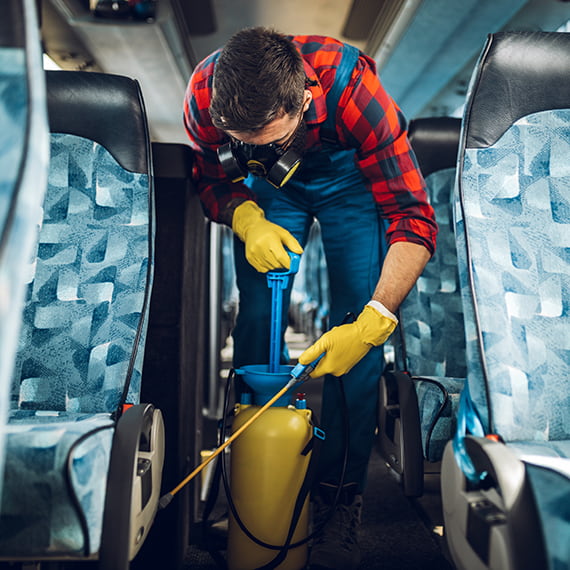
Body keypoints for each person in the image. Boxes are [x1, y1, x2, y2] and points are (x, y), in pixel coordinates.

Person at [183, 27, 437, 570]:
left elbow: (413, 219)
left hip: (349, 181)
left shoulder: (354, 92)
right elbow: (210, 176)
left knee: (355, 333)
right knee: (254, 321)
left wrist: (376, 320)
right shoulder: (203, 95)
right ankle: (252, 483)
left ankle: (338, 499)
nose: (254, 148)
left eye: (269, 137)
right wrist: (245, 217)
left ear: (303, 98)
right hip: (268, 189)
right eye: (243, 139)